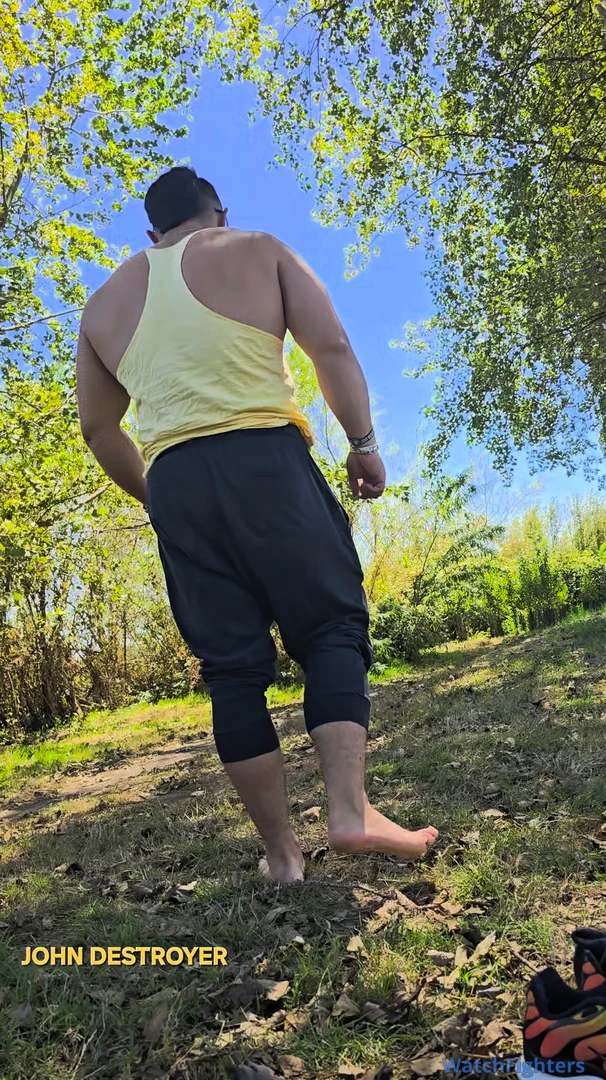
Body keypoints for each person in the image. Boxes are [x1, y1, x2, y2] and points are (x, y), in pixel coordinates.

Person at [76, 165, 438, 883]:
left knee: (232, 672)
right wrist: (363, 444)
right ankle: (350, 811)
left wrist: (159, 499)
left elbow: (99, 428)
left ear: (152, 232)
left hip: (175, 478)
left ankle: (282, 855)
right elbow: (332, 348)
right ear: (218, 213)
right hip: (267, 459)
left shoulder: (103, 303)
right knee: (330, 628)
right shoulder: (257, 247)